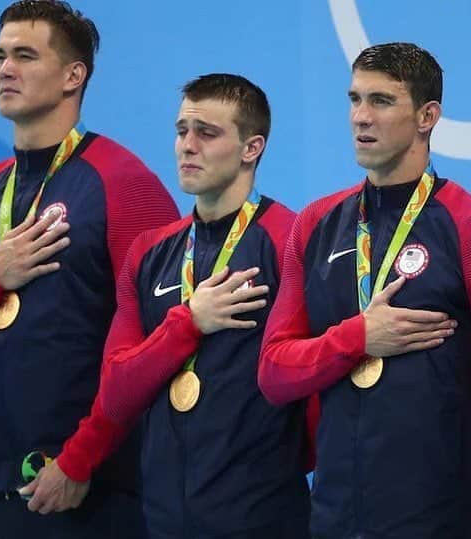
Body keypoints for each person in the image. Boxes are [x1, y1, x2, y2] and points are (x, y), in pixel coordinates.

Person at [0, 1, 179, 536]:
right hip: (5, 496)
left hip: (101, 491)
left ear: (72, 76)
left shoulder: (124, 184)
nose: (5, 69)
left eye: (26, 56)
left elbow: (160, 343)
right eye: (0, 55)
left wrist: (81, 459)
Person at [258, 42, 471, 538]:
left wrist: (458, 480)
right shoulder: (317, 224)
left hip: (437, 514)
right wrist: (357, 337)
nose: (361, 117)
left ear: (427, 116)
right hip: (335, 511)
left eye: (381, 101)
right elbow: (275, 371)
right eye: (355, 99)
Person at [93, 73, 310, 537]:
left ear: (252, 148)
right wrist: (189, 322)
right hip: (165, 521)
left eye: (206, 133)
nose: (187, 146)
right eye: (181, 130)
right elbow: (115, 392)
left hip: (264, 518)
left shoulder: (291, 241)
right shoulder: (150, 253)